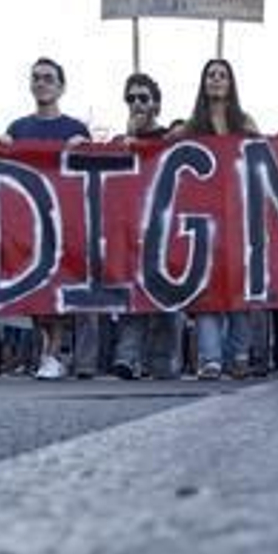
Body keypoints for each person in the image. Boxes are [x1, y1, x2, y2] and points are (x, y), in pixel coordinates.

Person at [169, 59, 259, 379]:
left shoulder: (245, 124)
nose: (217, 80)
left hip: (238, 219)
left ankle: (239, 355)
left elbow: (263, 160)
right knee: (206, 289)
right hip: (203, 222)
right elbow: (156, 156)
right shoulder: (190, 128)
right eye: (211, 75)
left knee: (240, 288)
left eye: (222, 75)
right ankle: (210, 358)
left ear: (231, 83)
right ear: (203, 83)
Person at [4, 57, 91, 380]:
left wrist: (86, 146)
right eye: (36, 78)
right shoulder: (17, 129)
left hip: (65, 220)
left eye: (48, 78)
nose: (41, 83)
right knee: (36, 288)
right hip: (28, 222)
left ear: (61, 86)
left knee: (58, 287)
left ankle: (52, 352)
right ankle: (48, 351)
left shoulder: (75, 129)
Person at [111, 72, 183, 380]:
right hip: (131, 232)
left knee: (168, 298)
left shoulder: (171, 138)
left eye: (143, 98)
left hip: (167, 230)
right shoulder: (120, 142)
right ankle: (127, 358)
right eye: (131, 98)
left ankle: (162, 363)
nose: (136, 104)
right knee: (133, 298)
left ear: (156, 103)